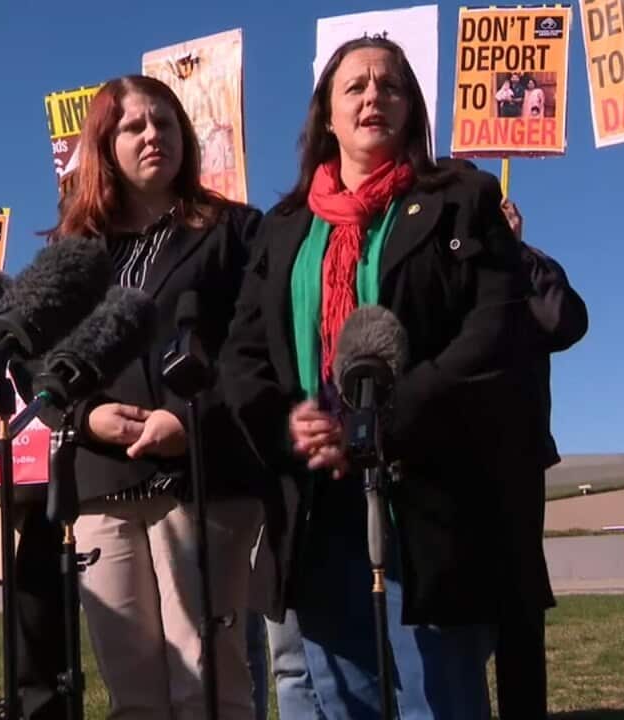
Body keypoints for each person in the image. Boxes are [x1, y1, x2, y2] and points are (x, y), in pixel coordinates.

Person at [221, 36, 540, 719]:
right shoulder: (283, 229)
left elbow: (492, 332)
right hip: (317, 504)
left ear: (411, 109)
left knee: (440, 697)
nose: (373, 97)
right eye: (356, 87)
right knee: (342, 700)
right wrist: (286, 421)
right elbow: (243, 356)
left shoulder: (461, 198)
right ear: (326, 117)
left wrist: (382, 422)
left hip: (426, 499)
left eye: (390, 86)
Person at [18, 74, 267, 720]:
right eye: (134, 126)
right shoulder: (73, 252)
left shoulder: (234, 230)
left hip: (201, 474)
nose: (153, 135)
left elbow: (256, 345)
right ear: (105, 143)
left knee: (208, 682)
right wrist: (84, 414)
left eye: (165, 122)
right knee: (133, 691)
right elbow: (32, 359)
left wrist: (191, 419)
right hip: (101, 485)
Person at [496, 198, 587, 719]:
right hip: (440, 457)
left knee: (520, 605)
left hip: (514, 457)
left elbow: (563, 322)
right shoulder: (436, 260)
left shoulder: (525, 265)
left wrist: (517, 253)